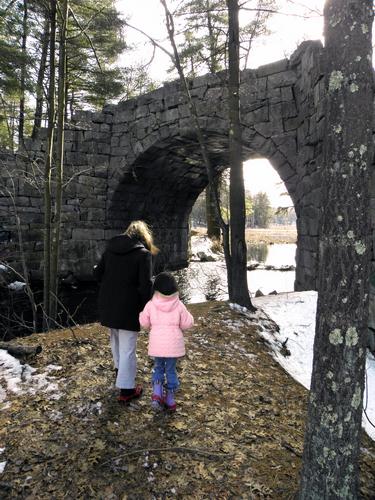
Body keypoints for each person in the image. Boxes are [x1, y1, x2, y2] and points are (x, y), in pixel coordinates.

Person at [94, 220, 159, 403]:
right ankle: (127, 390)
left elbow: (97, 275)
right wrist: (147, 309)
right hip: (129, 308)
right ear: (143, 237)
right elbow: (144, 288)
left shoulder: (110, 250)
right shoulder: (143, 255)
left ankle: (119, 372)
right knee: (128, 348)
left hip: (108, 305)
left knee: (115, 340)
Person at [139, 272, 194, 411]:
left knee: (158, 367)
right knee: (171, 370)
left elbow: (144, 322)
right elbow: (188, 323)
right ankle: (170, 399)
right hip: (173, 346)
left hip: (157, 344)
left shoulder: (151, 304)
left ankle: (157, 395)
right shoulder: (179, 304)